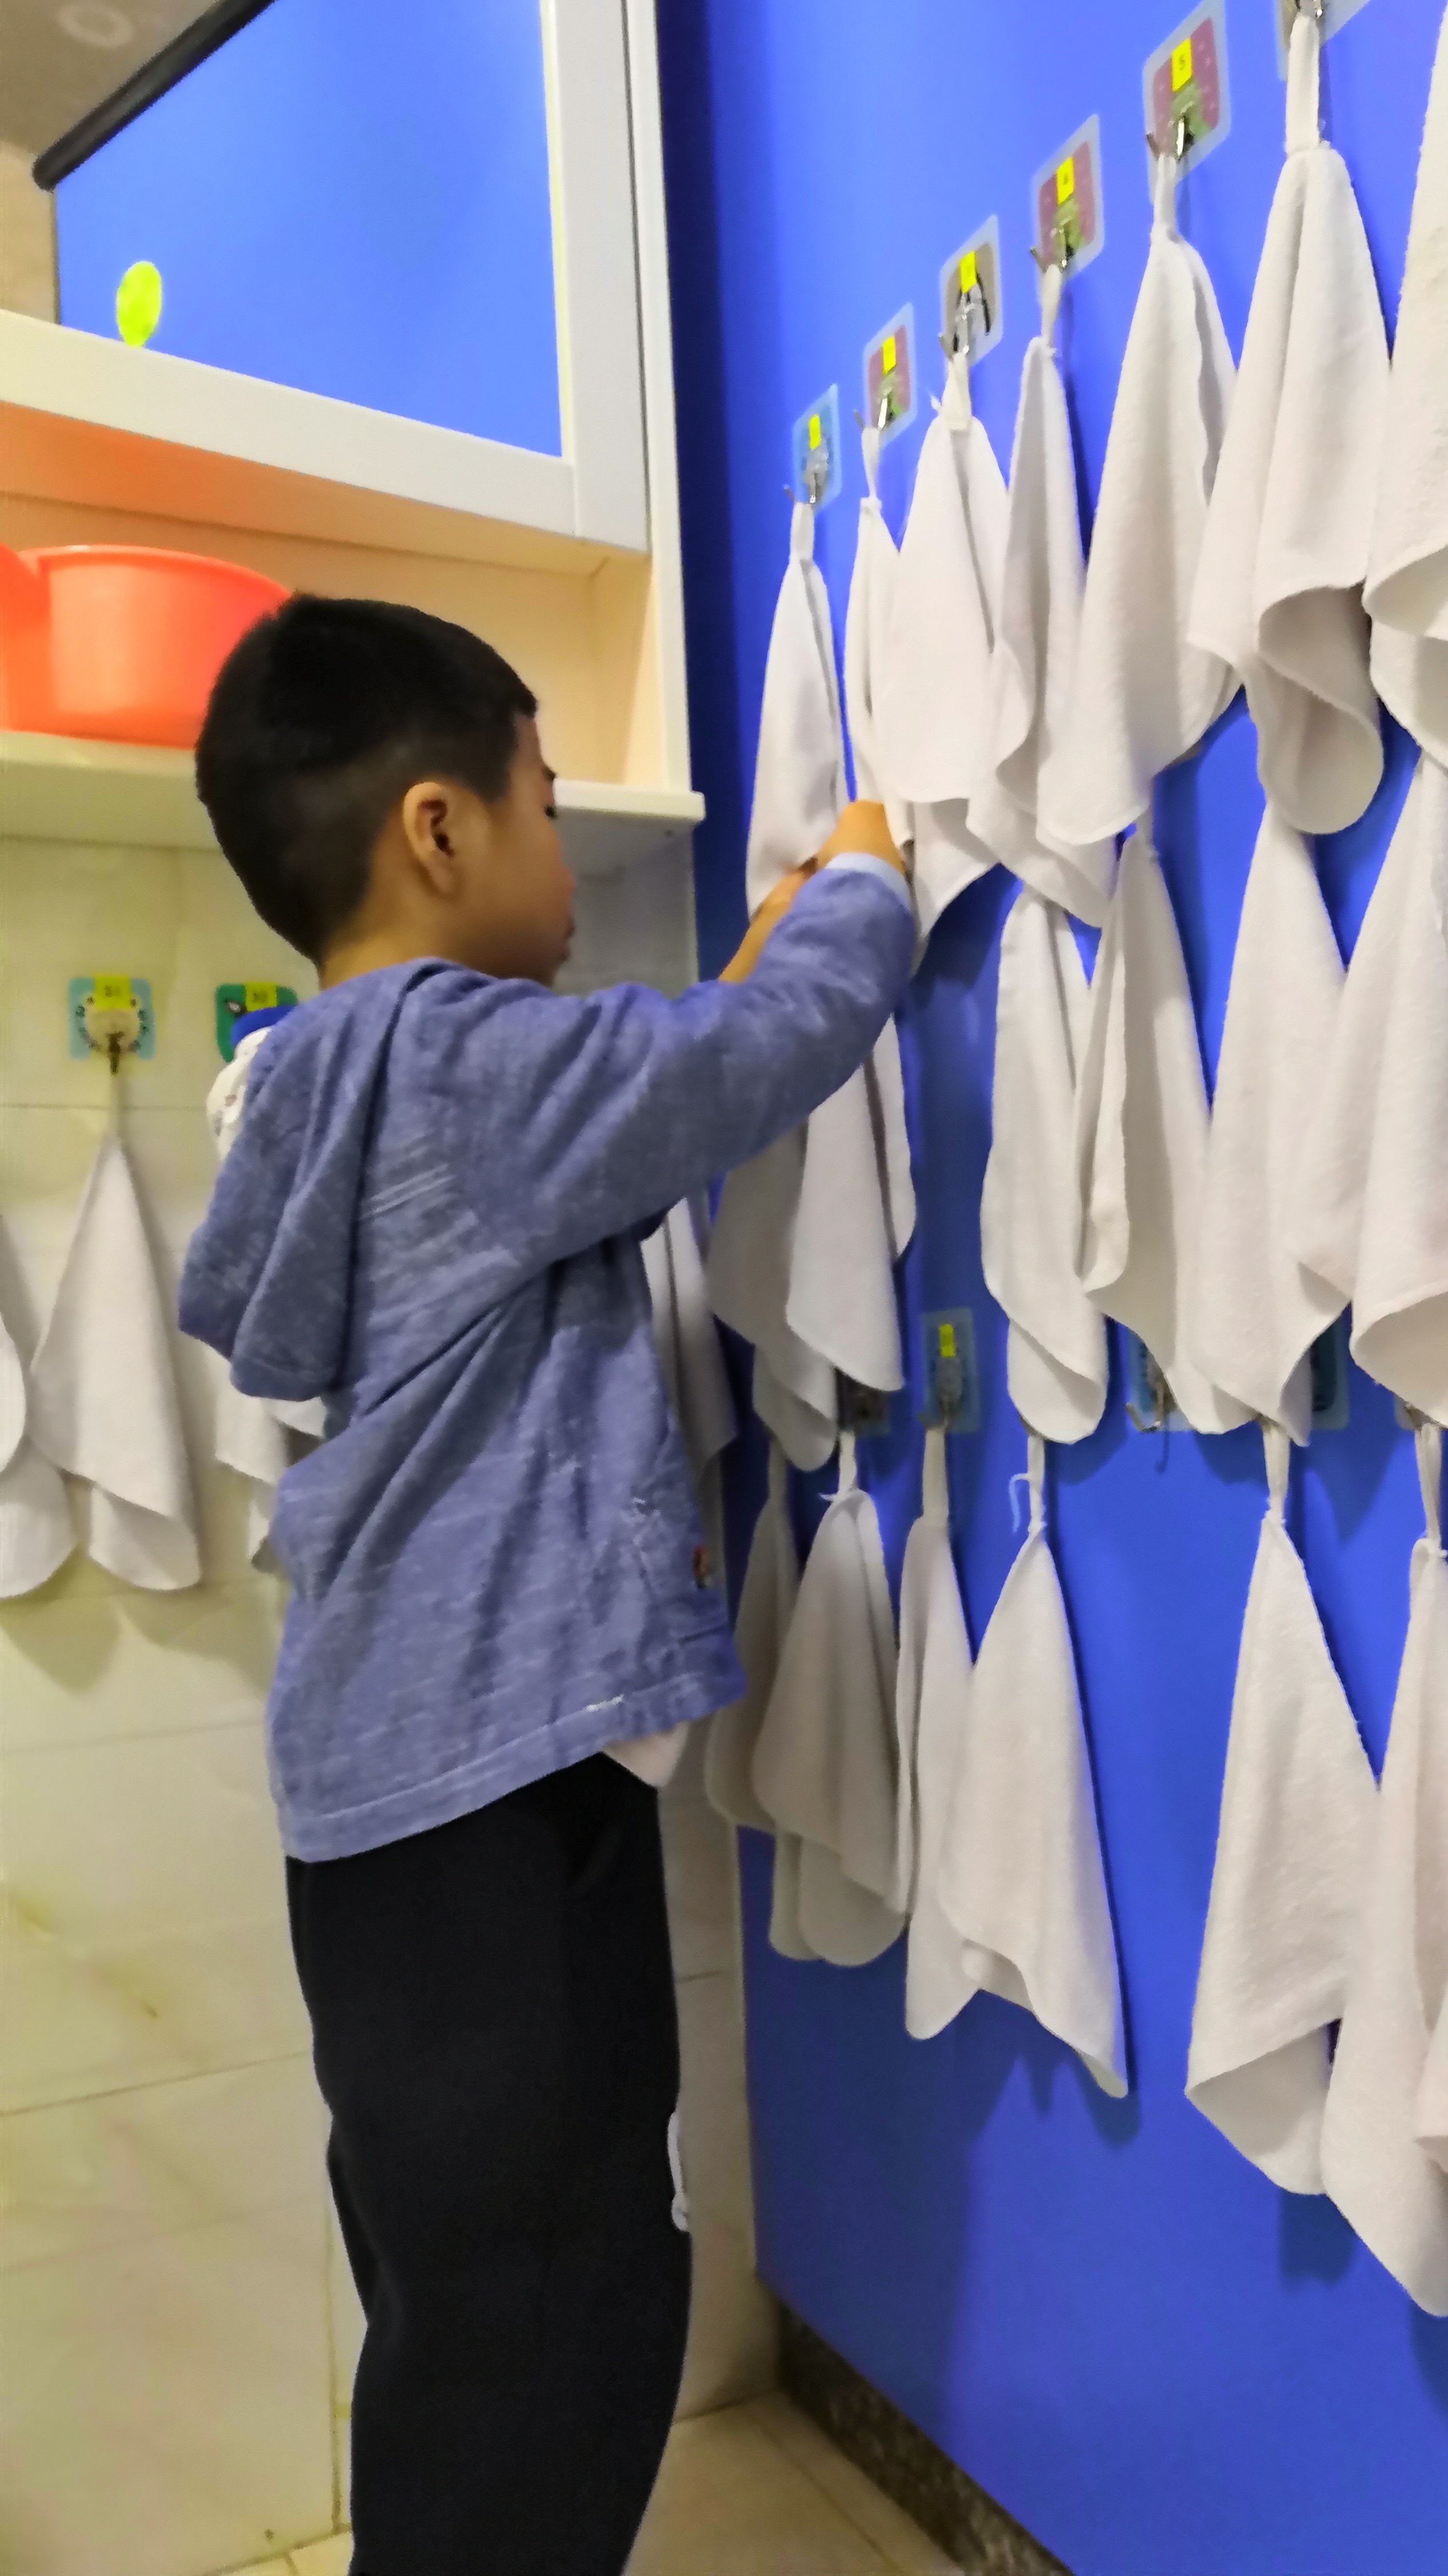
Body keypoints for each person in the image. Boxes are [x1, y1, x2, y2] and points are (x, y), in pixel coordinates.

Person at [178, 594, 913, 2576]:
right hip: (487, 1807)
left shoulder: (328, 1078)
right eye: (543, 801)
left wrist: (736, 974)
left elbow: (646, 1108)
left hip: (401, 1824)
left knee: (480, 2310)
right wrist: (860, 889)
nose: (565, 852)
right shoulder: (462, 1063)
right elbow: (751, 1053)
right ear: (438, 831)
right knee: (556, 2321)